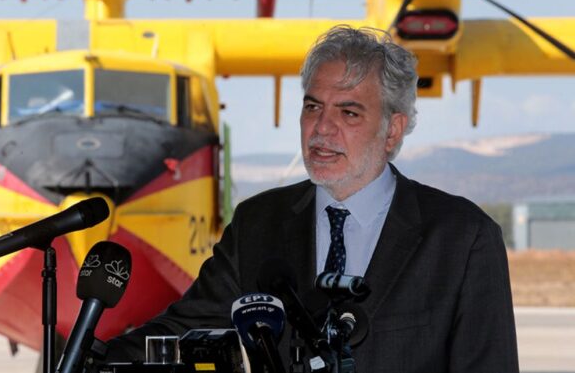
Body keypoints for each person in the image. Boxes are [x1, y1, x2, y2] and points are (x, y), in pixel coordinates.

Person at [104, 25, 519, 372]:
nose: (322, 128)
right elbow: (180, 329)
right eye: (313, 107)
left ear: (392, 131)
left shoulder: (463, 238)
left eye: (348, 113)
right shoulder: (257, 223)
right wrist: (87, 360)